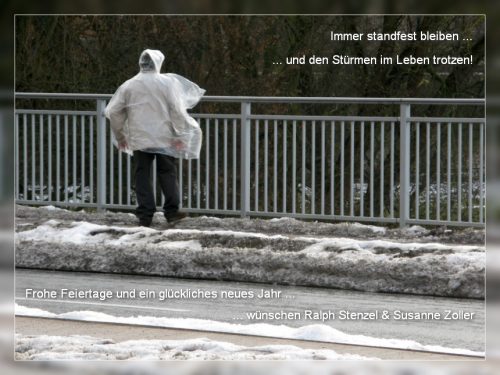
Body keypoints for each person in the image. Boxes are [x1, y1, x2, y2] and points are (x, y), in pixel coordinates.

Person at [105, 49, 205, 227]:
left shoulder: (129, 85)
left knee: (142, 174)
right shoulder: (168, 83)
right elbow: (177, 110)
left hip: (139, 138)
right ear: (158, 62)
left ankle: (145, 214)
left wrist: (120, 136)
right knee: (167, 172)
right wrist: (180, 134)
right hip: (164, 137)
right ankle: (172, 211)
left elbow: (113, 111)